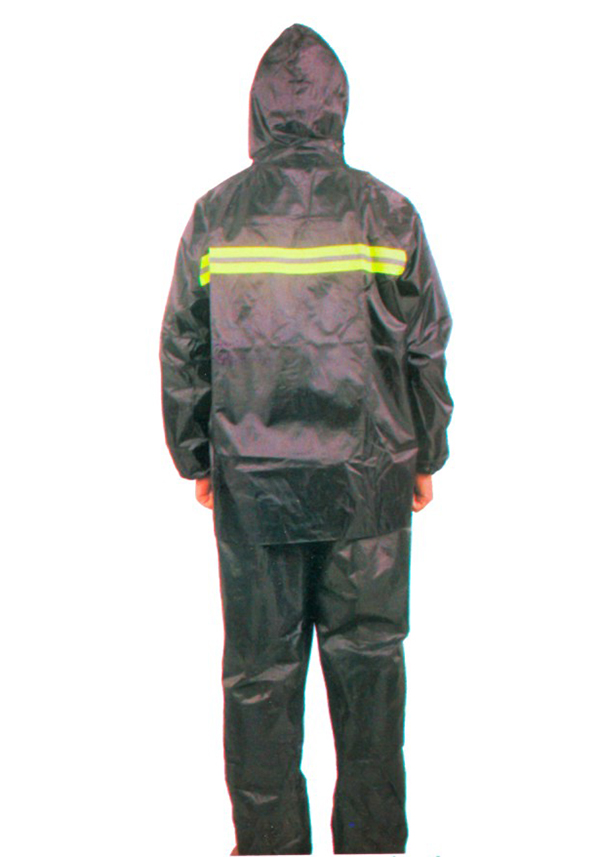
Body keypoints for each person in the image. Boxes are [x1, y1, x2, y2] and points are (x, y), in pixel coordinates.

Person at [160, 23, 453, 856]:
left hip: (255, 487)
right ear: (337, 108)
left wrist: (197, 456)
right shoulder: (387, 213)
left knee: (260, 683)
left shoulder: (218, 216)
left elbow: (182, 343)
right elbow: (426, 343)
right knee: (370, 681)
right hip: (369, 485)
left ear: (258, 108)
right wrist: (426, 451)